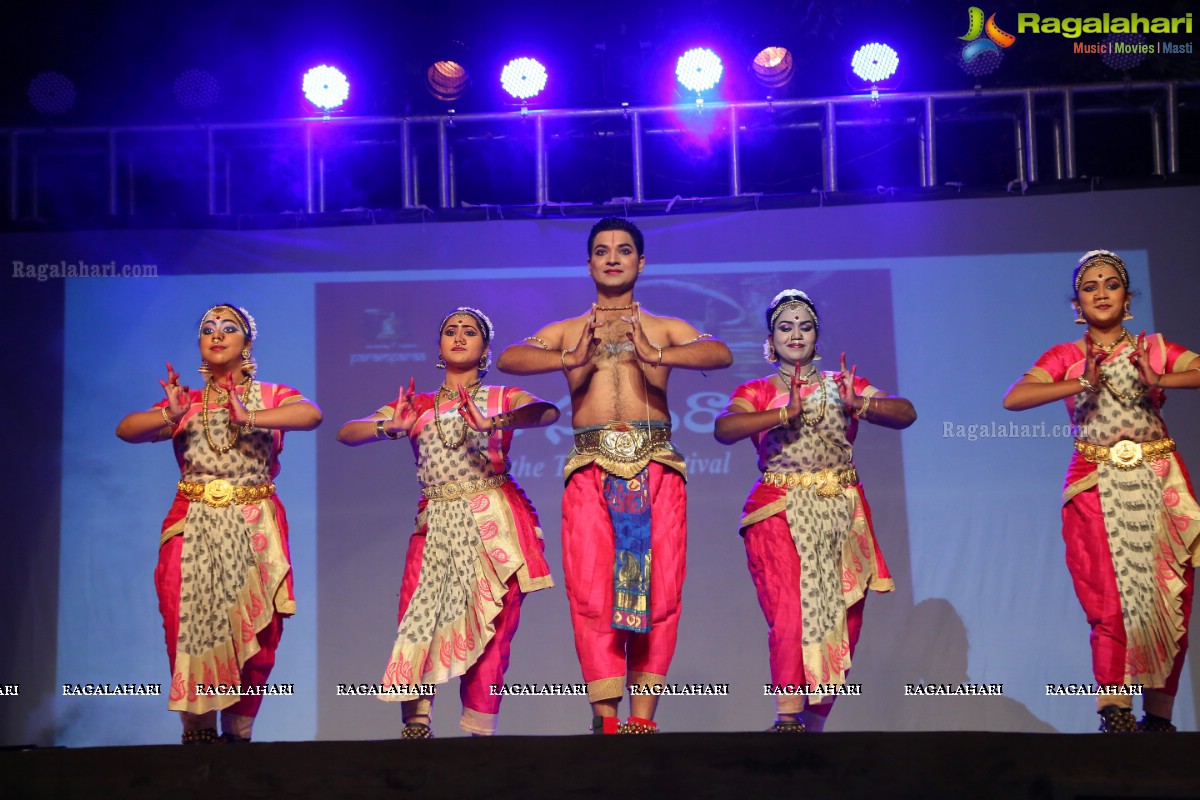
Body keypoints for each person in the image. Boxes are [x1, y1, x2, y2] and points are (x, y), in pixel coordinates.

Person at [496, 217, 733, 734]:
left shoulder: (663, 326)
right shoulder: (569, 328)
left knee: (661, 590)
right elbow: (511, 357)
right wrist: (570, 356)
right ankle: (605, 718)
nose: (612, 258)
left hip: (656, 467)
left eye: (624, 250)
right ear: (588, 264)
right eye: (601, 250)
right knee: (590, 591)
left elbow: (719, 352)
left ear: (640, 263)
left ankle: (642, 721)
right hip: (590, 468)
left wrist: (657, 355)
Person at [337, 307, 558, 737]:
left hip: (493, 520)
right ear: (439, 347)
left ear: (485, 348)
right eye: (450, 331)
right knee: (418, 615)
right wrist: (389, 427)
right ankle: (416, 724)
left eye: (469, 332)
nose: (458, 337)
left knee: (494, 628)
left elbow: (546, 413)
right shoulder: (416, 405)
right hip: (434, 523)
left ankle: (479, 730)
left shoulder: (501, 397)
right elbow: (348, 431)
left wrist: (494, 422)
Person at [1003, 250, 1200, 733]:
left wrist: (1162, 378)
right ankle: (1114, 711)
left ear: (1127, 297)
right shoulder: (1066, 355)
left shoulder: (1153, 349)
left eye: (1110, 284)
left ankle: (1159, 718)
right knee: (1108, 602)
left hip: (1158, 484)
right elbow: (1015, 398)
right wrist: (1078, 380)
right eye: (1090, 287)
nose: (1101, 293)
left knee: (1168, 602)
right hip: (1094, 485)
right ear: (1078, 303)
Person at [116, 304, 323, 744]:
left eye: (229, 329)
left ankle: (239, 730)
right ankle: (198, 727)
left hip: (253, 522)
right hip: (191, 521)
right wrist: (170, 416)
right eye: (208, 329)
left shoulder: (271, 395)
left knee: (258, 627)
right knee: (182, 617)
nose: (216, 334)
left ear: (247, 343)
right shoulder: (185, 401)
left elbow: (311, 416)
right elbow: (127, 429)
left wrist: (248, 417)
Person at [713, 289, 914, 732]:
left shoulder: (843, 384)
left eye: (804, 325)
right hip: (779, 512)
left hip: (841, 514)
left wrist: (856, 404)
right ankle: (786, 718)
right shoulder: (758, 390)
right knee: (790, 615)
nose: (796, 334)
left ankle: (814, 722)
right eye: (785, 326)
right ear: (771, 338)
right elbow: (725, 428)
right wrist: (784, 414)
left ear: (816, 334)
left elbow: (905, 412)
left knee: (844, 620)